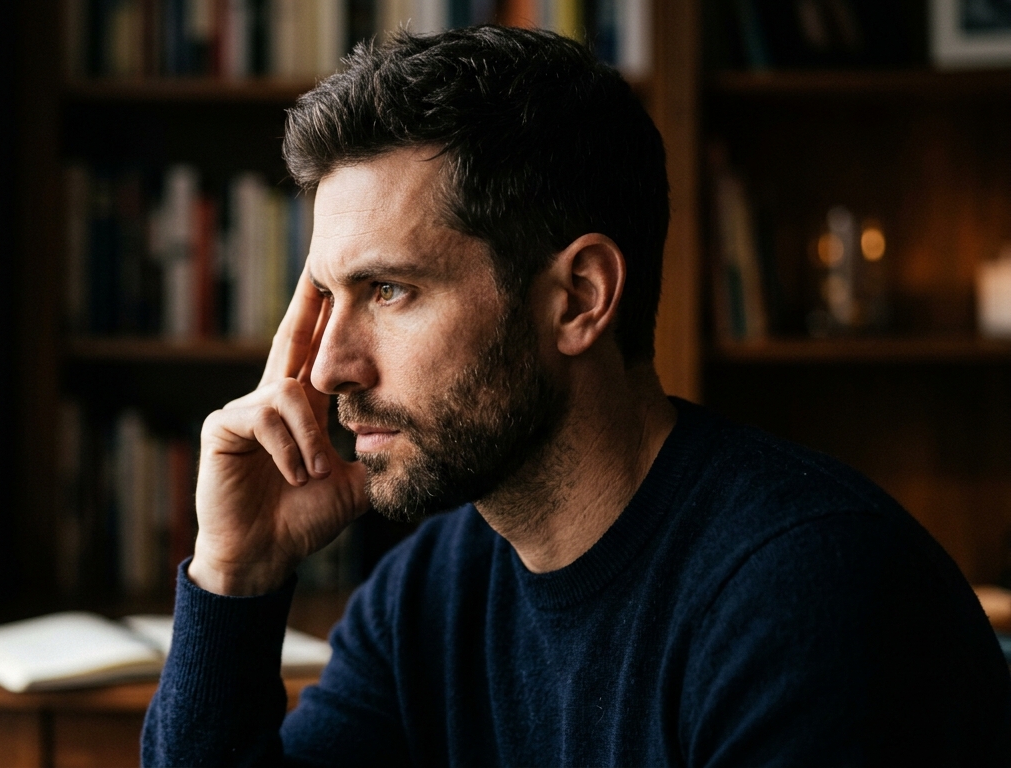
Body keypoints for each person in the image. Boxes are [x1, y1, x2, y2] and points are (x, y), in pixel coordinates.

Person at [142, 26, 1011, 766]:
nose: (328, 368)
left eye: (390, 292)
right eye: (329, 298)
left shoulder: (809, 600)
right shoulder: (427, 598)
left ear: (580, 298)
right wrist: (234, 579)